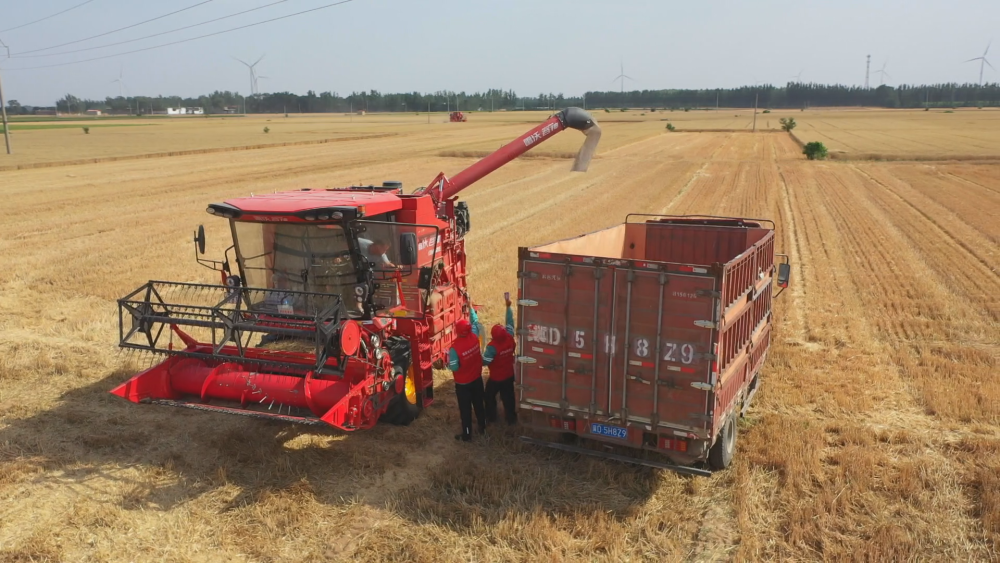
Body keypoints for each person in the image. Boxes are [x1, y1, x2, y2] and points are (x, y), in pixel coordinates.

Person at [448, 312, 486, 441]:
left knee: (465, 410)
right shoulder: (475, 337)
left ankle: (467, 434)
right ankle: (482, 426)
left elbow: (454, 367)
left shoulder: (454, 348)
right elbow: (475, 323)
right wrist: (472, 311)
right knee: (479, 404)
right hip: (477, 378)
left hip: (463, 384)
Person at [483, 297, 517, 425]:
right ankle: (511, 418)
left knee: (489, 396)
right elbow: (510, 322)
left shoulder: (492, 347)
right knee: (509, 397)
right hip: (509, 374)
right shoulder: (509, 337)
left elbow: (485, 362)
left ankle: (491, 417)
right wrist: (508, 307)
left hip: (496, 378)